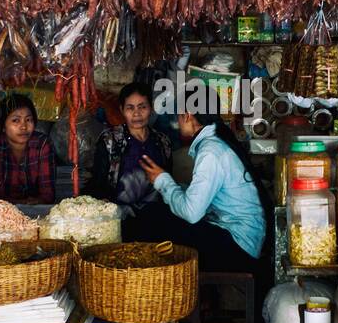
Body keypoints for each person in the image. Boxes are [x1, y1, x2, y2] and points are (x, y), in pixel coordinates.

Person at [135, 105, 270, 274]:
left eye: (178, 116)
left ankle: (150, 288)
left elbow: (192, 213)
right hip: (241, 238)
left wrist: (163, 181)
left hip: (239, 247)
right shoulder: (215, 142)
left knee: (153, 218)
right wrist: (173, 186)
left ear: (187, 115)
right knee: (160, 212)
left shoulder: (211, 151)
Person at [85, 81, 173, 222]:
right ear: (122, 110)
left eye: (142, 107)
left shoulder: (163, 142)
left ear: (151, 108)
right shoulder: (110, 140)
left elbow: (168, 182)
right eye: (130, 108)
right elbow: (98, 182)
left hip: (155, 218)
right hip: (119, 218)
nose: (136, 113)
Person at [0, 93, 55, 203]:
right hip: (3, 212)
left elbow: (47, 195)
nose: (23, 127)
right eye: (15, 120)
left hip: (35, 212)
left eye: (28, 120)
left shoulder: (42, 144)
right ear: (3, 126)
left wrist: (36, 202)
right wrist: (21, 204)